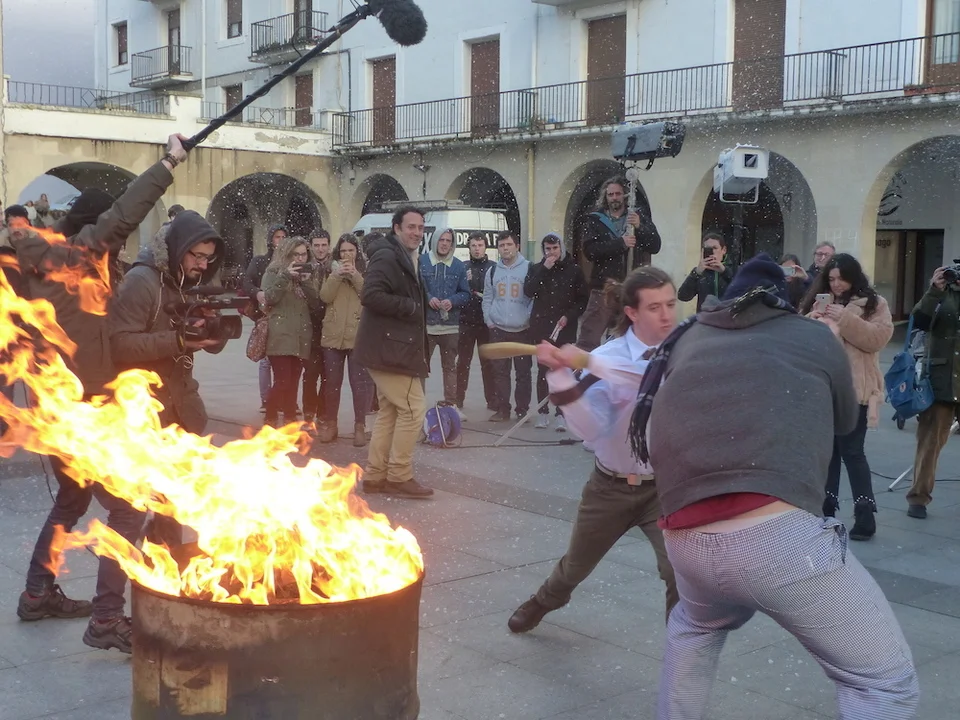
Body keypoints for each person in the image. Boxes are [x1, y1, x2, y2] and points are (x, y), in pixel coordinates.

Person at [630, 253, 918, 720]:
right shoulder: (810, 333)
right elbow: (846, 423)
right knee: (885, 683)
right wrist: (826, 346)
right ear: (781, 301)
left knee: (694, 628)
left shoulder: (689, 336)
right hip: (777, 538)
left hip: (685, 537)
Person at [14, 134, 189, 655]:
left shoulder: (48, 268)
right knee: (129, 510)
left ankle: (36, 594)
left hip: (58, 409)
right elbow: (123, 215)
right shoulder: (77, 256)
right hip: (81, 412)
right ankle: (107, 619)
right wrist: (168, 163)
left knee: (71, 500)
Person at [508, 267, 679, 634]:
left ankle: (684, 646)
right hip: (610, 488)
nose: (667, 315)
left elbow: (652, 377)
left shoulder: (683, 351)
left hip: (664, 488)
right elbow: (588, 429)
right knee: (575, 566)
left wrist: (587, 361)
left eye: (671, 304)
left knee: (680, 571)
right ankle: (545, 599)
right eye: (654, 308)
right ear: (632, 312)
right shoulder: (608, 355)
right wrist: (560, 373)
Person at [800, 253, 893, 540]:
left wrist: (846, 319)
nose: (836, 284)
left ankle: (865, 515)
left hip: (856, 390)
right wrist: (813, 319)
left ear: (853, 277)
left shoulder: (874, 304)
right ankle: (826, 510)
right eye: (831, 279)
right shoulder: (820, 302)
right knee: (828, 452)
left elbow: (877, 339)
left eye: (841, 278)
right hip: (823, 389)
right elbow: (800, 341)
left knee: (852, 452)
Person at [109, 210, 227, 435]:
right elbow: (119, 345)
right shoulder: (141, 282)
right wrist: (178, 340)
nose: (203, 265)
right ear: (179, 248)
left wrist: (212, 324)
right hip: (143, 411)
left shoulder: (191, 282)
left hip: (184, 410)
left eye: (208, 258)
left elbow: (211, 345)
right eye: (198, 256)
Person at [354, 209, 433, 498]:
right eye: (411, 227)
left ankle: (375, 476)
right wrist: (409, 307)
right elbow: (370, 295)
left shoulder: (402, 255)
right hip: (391, 350)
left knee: (389, 411)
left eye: (420, 228)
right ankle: (400, 476)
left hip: (390, 347)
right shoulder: (388, 256)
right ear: (397, 228)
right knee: (413, 409)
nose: (416, 233)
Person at [577, 176, 661, 350]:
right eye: (610, 194)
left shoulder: (637, 216)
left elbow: (655, 245)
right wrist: (620, 244)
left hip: (631, 287)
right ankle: (585, 366)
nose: (614, 198)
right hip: (603, 288)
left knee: (629, 338)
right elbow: (590, 251)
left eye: (618, 194)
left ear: (624, 196)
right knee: (588, 337)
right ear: (605, 197)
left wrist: (640, 226)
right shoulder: (595, 221)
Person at [905, 262, 960, 519]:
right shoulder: (942, 293)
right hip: (940, 377)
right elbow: (919, 321)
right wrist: (934, 290)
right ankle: (918, 497)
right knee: (929, 442)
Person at [523, 232, 587, 430]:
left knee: (563, 370)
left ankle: (562, 413)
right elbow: (528, 291)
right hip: (542, 327)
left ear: (561, 248)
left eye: (555, 248)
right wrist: (544, 269)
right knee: (543, 371)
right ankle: (542, 412)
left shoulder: (574, 270)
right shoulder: (536, 268)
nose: (551, 253)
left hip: (564, 327)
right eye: (548, 249)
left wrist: (569, 315)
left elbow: (582, 300)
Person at [316, 234, 372, 447]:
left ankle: (359, 426)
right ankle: (331, 424)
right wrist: (336, 275)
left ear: (357, 252)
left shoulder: (365, 271)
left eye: (351, 250)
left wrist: (355, 275)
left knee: (359, 384)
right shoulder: (330, 270)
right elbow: (325, 296)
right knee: (332, 384)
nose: (347, 255)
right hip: (333, 334)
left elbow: (368, 296)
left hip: (357, 335)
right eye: (343, 251)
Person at [261, 236, 321, 427]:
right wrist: (285, 276)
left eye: (303, 254)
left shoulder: (307, 275)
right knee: (283, 381)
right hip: (280, 334)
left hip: (301, 335)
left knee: (294, 381)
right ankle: (270, 416)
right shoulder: (273, 271)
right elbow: (269, 297)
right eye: (296, 254)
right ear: (286, 254)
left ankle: (289, 419)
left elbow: (316, 303)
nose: (300, 258)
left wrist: (306, 282)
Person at [483, 231, 534, 422]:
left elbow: (534, 298)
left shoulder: (529, 268)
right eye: (501, 245)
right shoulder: (493, 271)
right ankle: (503, 409)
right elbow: (488, 297)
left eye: (509, 244)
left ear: (517, 246)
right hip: (498, 330)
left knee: (523, 373)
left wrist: (527, 318)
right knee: (500, 372)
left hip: (522, 330)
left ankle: (522, 410)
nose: (505, 248)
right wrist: (489, 319)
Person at [420, 228, 471, 413]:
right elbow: (415, 287)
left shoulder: (458, 266)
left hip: (450, 327)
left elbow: (466, 294)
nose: (444, 244)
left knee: (450, 367)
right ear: (435, 241)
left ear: (452, 244)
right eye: (441, 240)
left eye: (448, 241)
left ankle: (451, 405)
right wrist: (428, 298)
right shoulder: (422, 262)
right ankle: (417, 407)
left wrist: (452, 301)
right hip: (426, 326)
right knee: (420, 368)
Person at [242, 223, 288, 414]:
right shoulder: (260, 261)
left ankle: (283, 399)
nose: (281, 241)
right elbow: (246, 282)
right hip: (264, 315)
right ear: (271, 240)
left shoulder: (290, 261)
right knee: (267, 360)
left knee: (284, 361)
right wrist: (257, 293)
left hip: (285, 316)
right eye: (277, 237)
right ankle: (267, 399)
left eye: (284, 237)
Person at [456, 232, 497, 415]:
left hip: (486, 323)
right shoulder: (462, 267)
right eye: (473, 245)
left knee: (488, 363)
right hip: (466, 322)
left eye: (480, 245)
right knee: (462, 363)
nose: (477, 249)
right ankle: (458, 398)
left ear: (486, 247)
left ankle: (492, 399)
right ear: (469, 248)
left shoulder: (493, 268)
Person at [302, 229, 332, 426]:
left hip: (330, 326)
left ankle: (322, 412)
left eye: (324, 245)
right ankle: (308, 412)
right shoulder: (305, 267)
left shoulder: (334, 267)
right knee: (310, 374)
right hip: (310, 327)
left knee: (328, 376)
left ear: (329, 246)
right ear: (311, 247)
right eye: (317, 245)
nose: (320, 249)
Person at [677, 232, 734, 311]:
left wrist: (724, 271)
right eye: (708, 249)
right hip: (705, 317)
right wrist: (696, 273)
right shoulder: (700, 273)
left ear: (724, 250)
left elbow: (743, 291)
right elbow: (683, 296)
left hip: (727, 316)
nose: (712, 252)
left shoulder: (733, 268)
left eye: (715, 248)